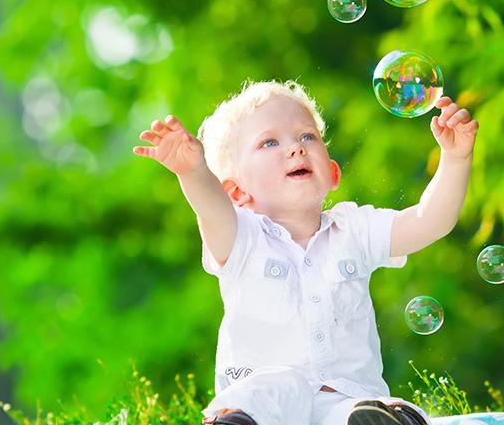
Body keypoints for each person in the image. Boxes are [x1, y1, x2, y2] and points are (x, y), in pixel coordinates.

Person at [133, 80, 479, 425]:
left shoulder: (354, 230)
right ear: (236, 193)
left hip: (345, 401)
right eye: (269, 142)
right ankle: (234, 423)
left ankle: (386, 421)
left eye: (307, 137)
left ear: (332, 173)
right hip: (267, 409)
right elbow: (210, 207)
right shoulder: (241, 237)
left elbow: (429, 221)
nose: (296, 149)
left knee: (371, 409)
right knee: (277, 387)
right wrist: (194, 173)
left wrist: (455, 158)